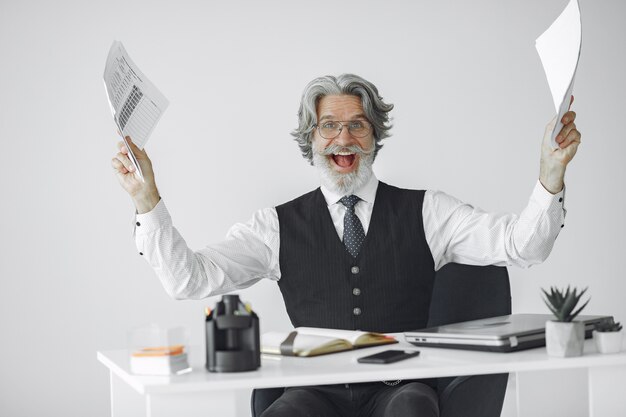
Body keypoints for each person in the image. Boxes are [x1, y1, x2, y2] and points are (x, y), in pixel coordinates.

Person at [111, 74, 581, 417]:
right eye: (329, 126)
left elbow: (523, 246)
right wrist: (146, 199)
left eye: (358, 126)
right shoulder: (275, 225)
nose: (344, 138)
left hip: (400, 388)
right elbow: (188, 279)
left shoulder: (429, 212)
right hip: (314, 392)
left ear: (375, 138)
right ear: (311, 138)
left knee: (414, 410)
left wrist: (550, 174)